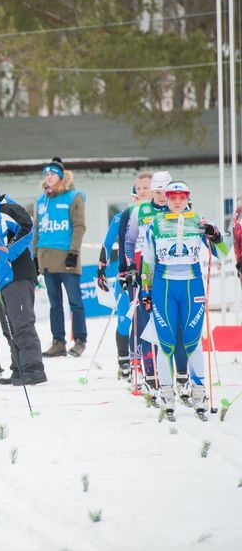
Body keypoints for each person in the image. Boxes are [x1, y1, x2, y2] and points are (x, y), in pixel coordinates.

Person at [140, 180, 227, 420]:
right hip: (164, 287)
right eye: (172, 196)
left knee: (192, 341)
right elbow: (147, 260)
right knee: (165, 341)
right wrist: (146, 290)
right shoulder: (154, 224)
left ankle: (199, 394)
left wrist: (216, 235)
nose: (177, 201)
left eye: (182, 196)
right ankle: (167, 394)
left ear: (188, 197)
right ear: (166, 198)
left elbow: (223, 251)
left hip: (192, 286)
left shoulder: (199, 221)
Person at [0, 182, 47, 386]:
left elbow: (28, 227)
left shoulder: (8, 208)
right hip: (1, 279)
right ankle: (19, 368)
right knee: (9, 327)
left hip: (18, 274)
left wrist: (8, 253)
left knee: (22, 323)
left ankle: (33, 369)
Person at [96, 172, 151, 382]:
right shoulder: (123, 217)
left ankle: (144, 361)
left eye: (144, 192)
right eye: (136, 194)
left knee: (145, 320)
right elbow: (107, 244)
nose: (138, 198)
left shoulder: (156, 216)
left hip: (148, 274)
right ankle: (124, 361)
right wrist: (101, 269)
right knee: (124, 320)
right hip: (126, 276)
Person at [123, 170, 172, 399]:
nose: (162, 196)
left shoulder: (176, 209)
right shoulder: (139, 210)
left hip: (170, 271)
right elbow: (129, 242)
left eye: (166, 190)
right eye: (158, 191)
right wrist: (131, 266)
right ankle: (150, 374)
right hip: (145, 273)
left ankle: (171, 375)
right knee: (144, 322)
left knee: (168, 323)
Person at [33, 157, 88, 357]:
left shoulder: (74, 197)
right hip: (46, 257)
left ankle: (80, 340)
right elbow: (37, 229)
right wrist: (34, 256)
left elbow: (79, 226)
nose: (48, 177)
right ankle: (58, 342)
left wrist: (74, 252)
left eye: (52, 174)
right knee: (54, 303)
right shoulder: (41, 200)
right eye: (46, 174)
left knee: (75, 301)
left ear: (61, 177)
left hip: (67, 257)